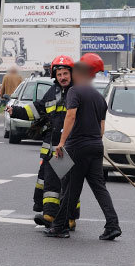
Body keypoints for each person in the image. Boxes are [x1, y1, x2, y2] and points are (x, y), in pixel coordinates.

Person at [46, 53, 121, 240]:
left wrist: (62, 143)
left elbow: (70, 116)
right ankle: (113, 225)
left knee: (69, 187)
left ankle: (59, 227)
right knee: (99, 188)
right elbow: (102, 128)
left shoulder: (75, 92)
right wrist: (93, 142)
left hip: (77, 146)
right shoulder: (99, 97)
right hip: (96, 146)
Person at [7, 55, 80, 226]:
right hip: (52, 148)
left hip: (68, 147)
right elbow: (38, 109)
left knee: (67, 185)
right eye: (59, 74)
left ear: (72, 74)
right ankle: (50, 216)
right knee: (51, 183)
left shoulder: (76, 92)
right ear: (55, 76)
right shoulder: (52, 91)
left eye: (65, 74)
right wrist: (15, 111)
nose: (62, 77)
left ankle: (69, 218)